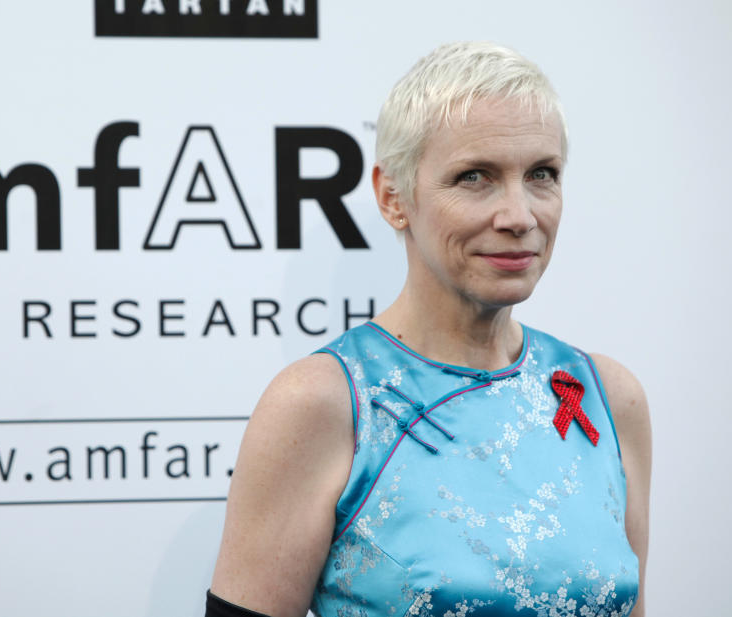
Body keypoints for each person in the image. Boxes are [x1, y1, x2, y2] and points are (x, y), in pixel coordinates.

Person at [207, 42, 651, 617]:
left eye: (542, 174)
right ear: (394, 198)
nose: (519, 216)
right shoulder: (326, 403)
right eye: (475, 178)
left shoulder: (607, 396)